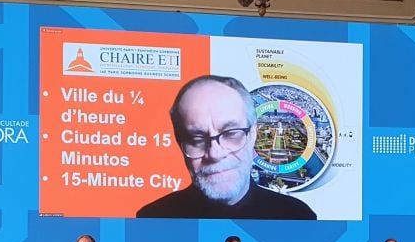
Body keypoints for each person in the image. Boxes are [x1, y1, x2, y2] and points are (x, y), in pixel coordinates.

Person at [136, 75, 317, 220]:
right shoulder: (153, 218)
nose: (215, 153)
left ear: (253, 134)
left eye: (231, 133)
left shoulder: (297, 217)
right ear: (180, 143)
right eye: (197, 138)